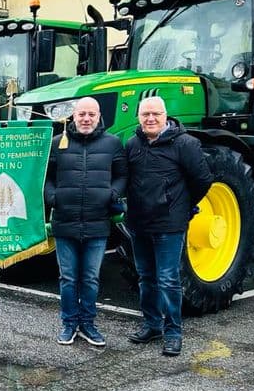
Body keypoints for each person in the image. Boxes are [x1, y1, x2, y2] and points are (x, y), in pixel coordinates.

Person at [125, 96, 212, 357]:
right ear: (139, 118)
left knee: (168, 279)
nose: (150, 119)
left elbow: (203, 180)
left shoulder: (185, 144)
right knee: (146, 277)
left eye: (156, 114)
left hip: (169, 224)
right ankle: (152, 324)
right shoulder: (133, 144)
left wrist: (182, 206)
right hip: (139, 223)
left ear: (166, 116)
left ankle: (173, 332)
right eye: (145, 115)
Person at [44, 97, 127, 347]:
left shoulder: (112, 144)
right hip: (65, 222)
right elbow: (45, 177)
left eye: (91, 114)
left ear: (99, 116)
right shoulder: (58, 144)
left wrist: (112, 195)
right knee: (68, 278)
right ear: (73, 116)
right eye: (82, 114)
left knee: (90, 278)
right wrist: (52, 197)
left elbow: (122, 175)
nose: (86, 119)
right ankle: (69, 324)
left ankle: (88, 324)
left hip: (97, 223)